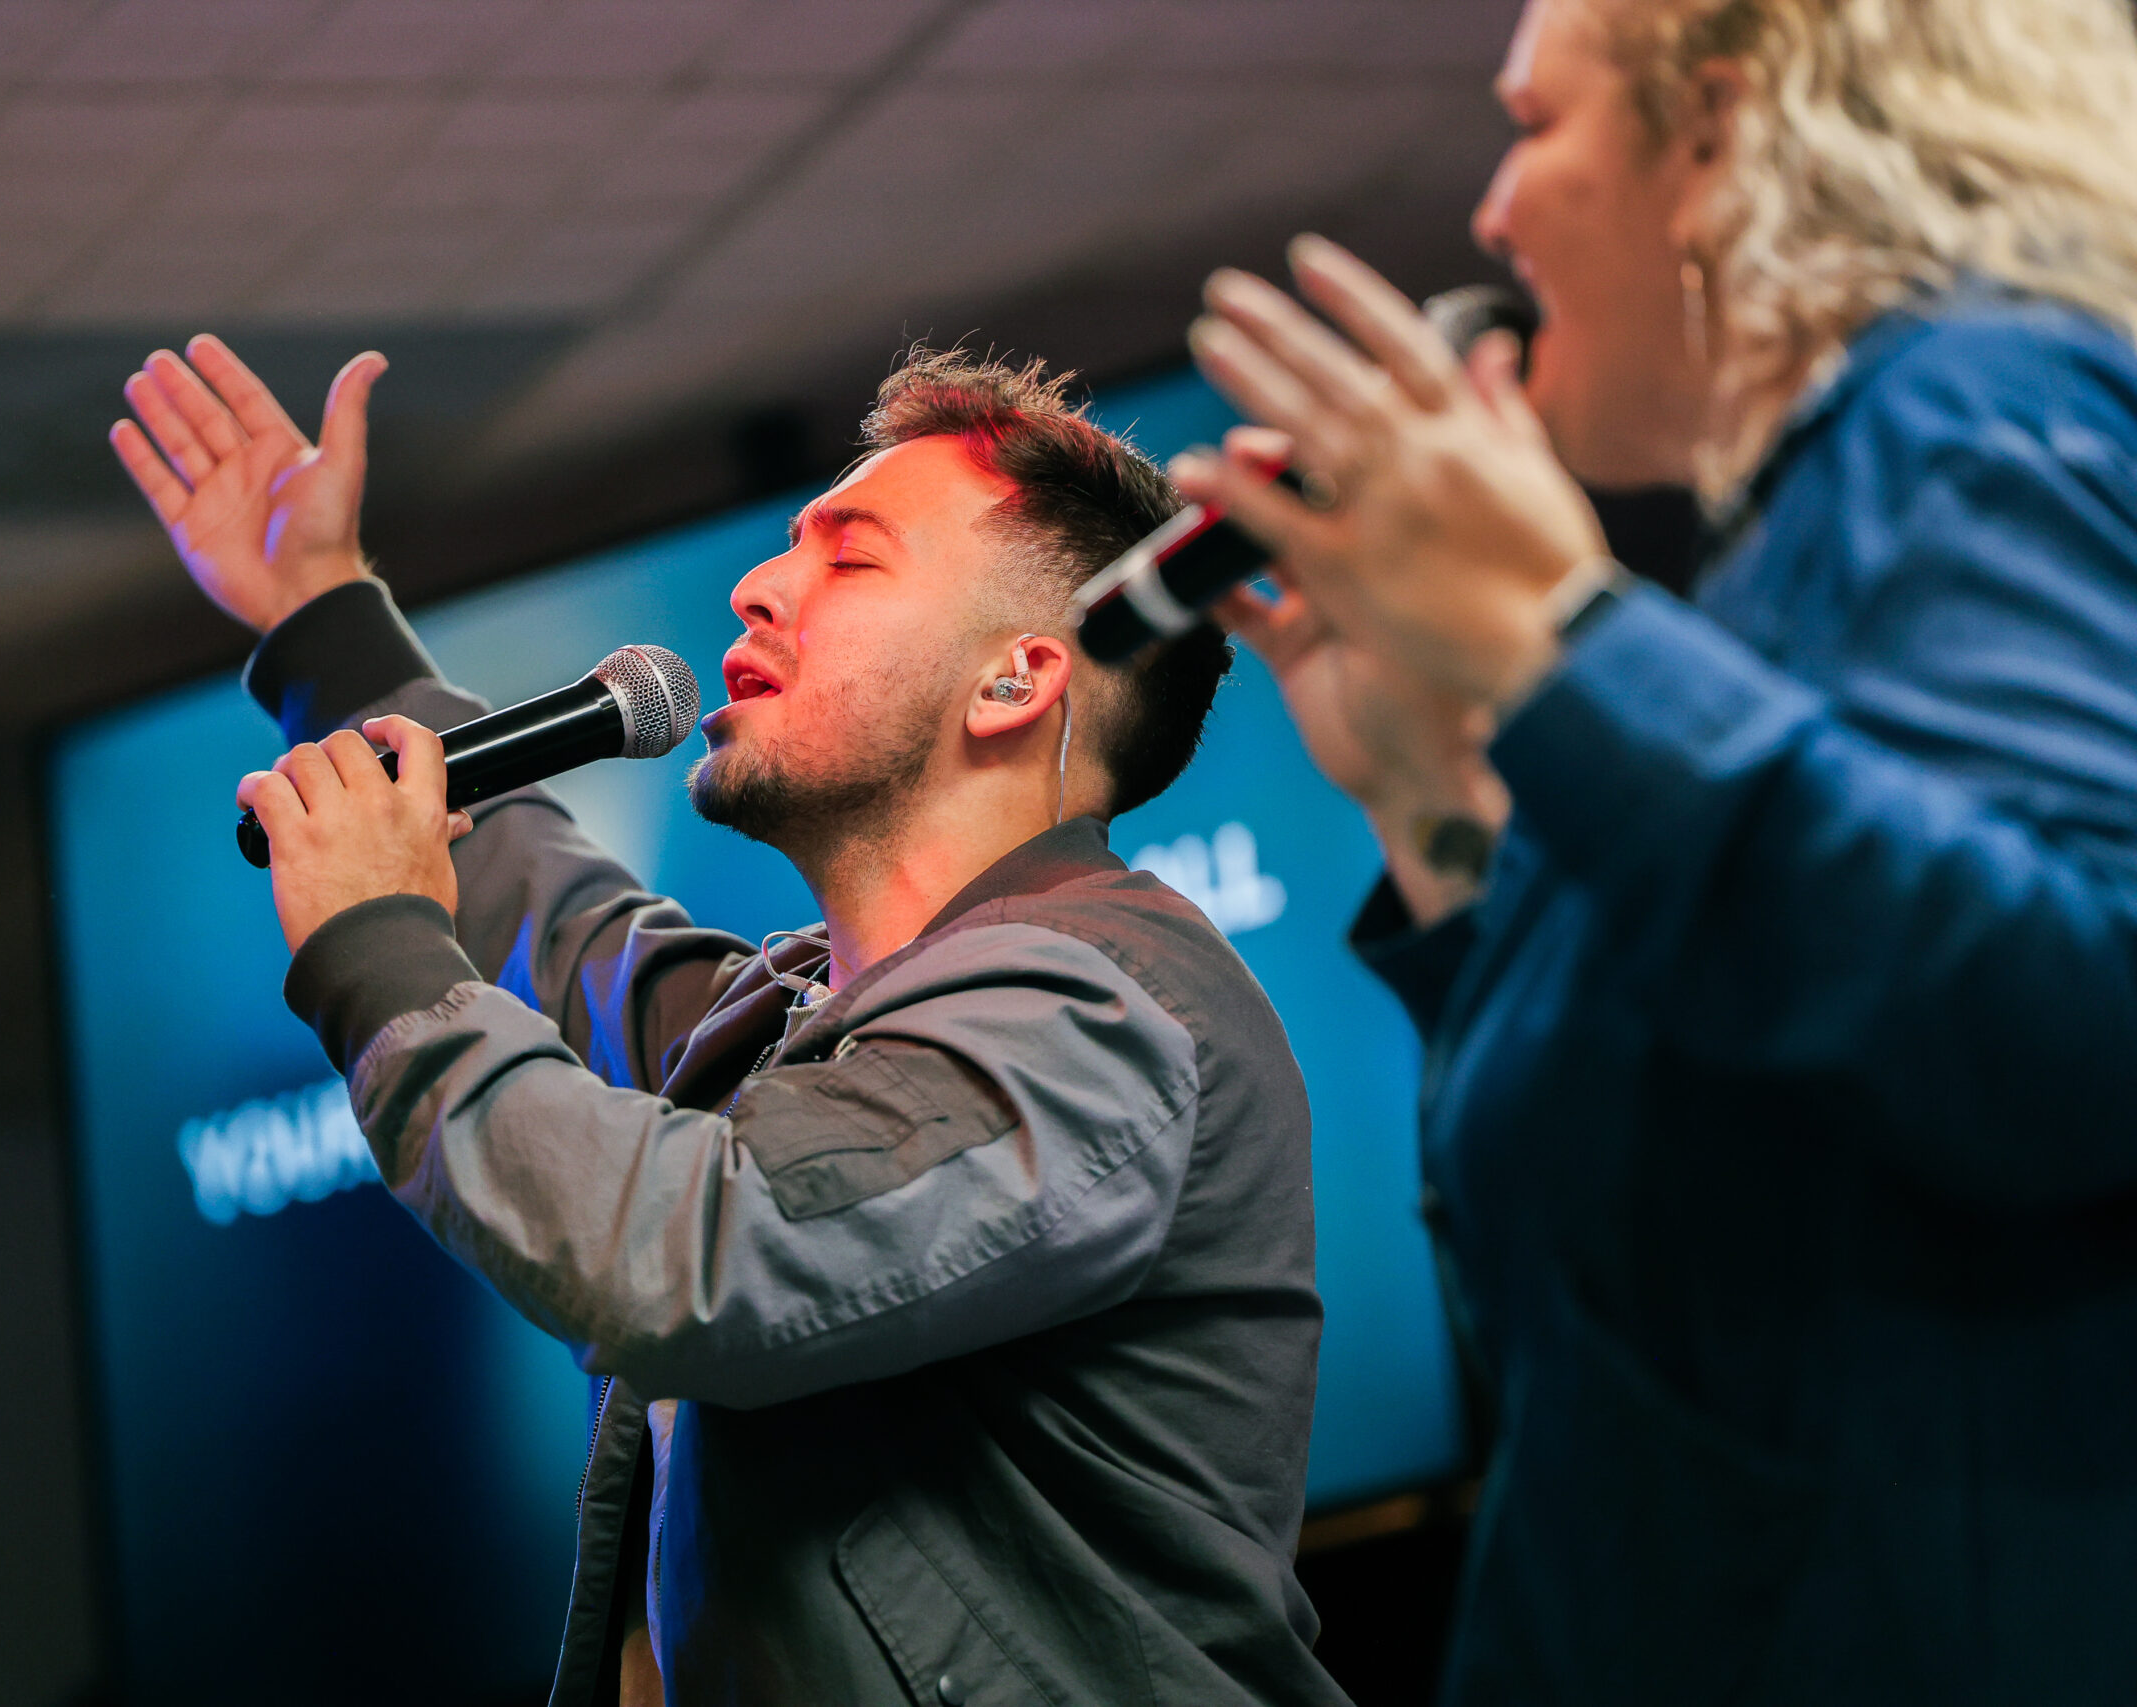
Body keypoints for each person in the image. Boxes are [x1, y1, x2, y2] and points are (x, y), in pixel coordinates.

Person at [111, 343, 1354, 1706]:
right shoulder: (791, 1038)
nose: (758, 588)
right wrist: (316, 606)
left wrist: (375, 949)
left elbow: (687, 1252)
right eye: (788, 549)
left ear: (1017, 681)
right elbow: (542, 903)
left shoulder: (1100, 1010)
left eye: (852, 558)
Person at [1172, 0, 2137, 1702]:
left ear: (1717, 133)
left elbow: (2084, 1022)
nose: (1492, 212)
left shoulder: (1960, 409)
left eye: (1537, 123)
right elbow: (1650, 1266)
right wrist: (1446, 791)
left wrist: (1560, 637)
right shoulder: (1822, 515)